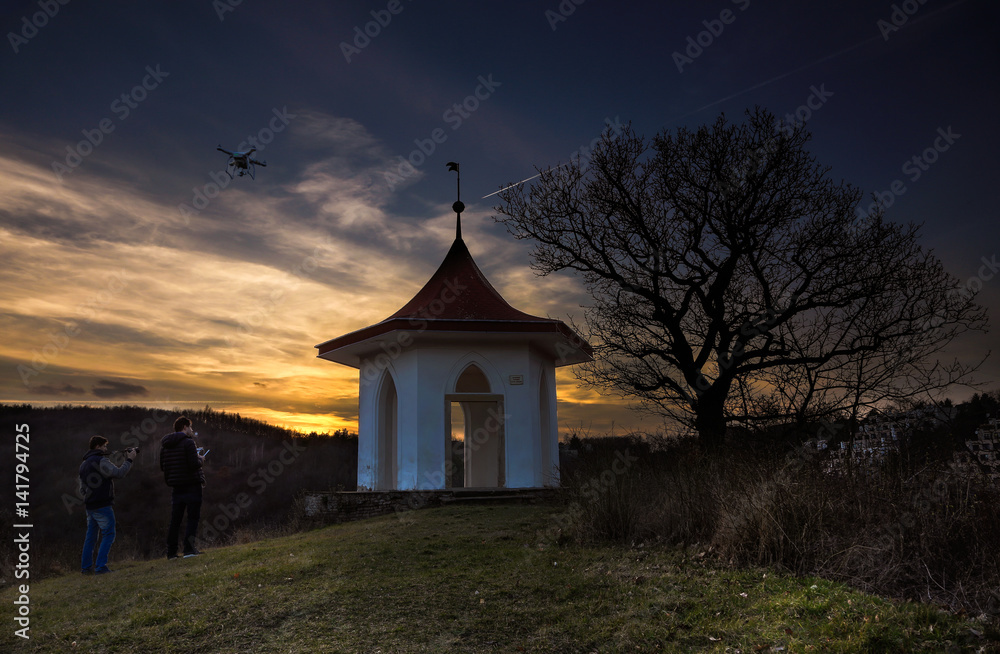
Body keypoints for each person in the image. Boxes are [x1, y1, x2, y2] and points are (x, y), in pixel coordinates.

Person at [79, 436, 137, 575]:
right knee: (109, 534)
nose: (106, 449)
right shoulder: (101, 461)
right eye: (104, 446)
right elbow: (119, 473)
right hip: (103, 505)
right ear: (98, 447)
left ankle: (86, 568)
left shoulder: (84, 464)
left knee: (90, 537)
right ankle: (101, 567)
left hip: (90, 506)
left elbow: (82, 489)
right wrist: (129, 459)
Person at [160, 416, 206, 559]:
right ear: (185, 427)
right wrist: (200, 459)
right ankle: (189, 550)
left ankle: (172, 552)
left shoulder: (165, 445)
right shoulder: (188, 443)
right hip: (192, 486)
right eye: (191, 427)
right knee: (192, 518)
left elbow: (163, 467)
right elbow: (193, 464)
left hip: (176, 487)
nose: (192, 430)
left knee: (175, 521)